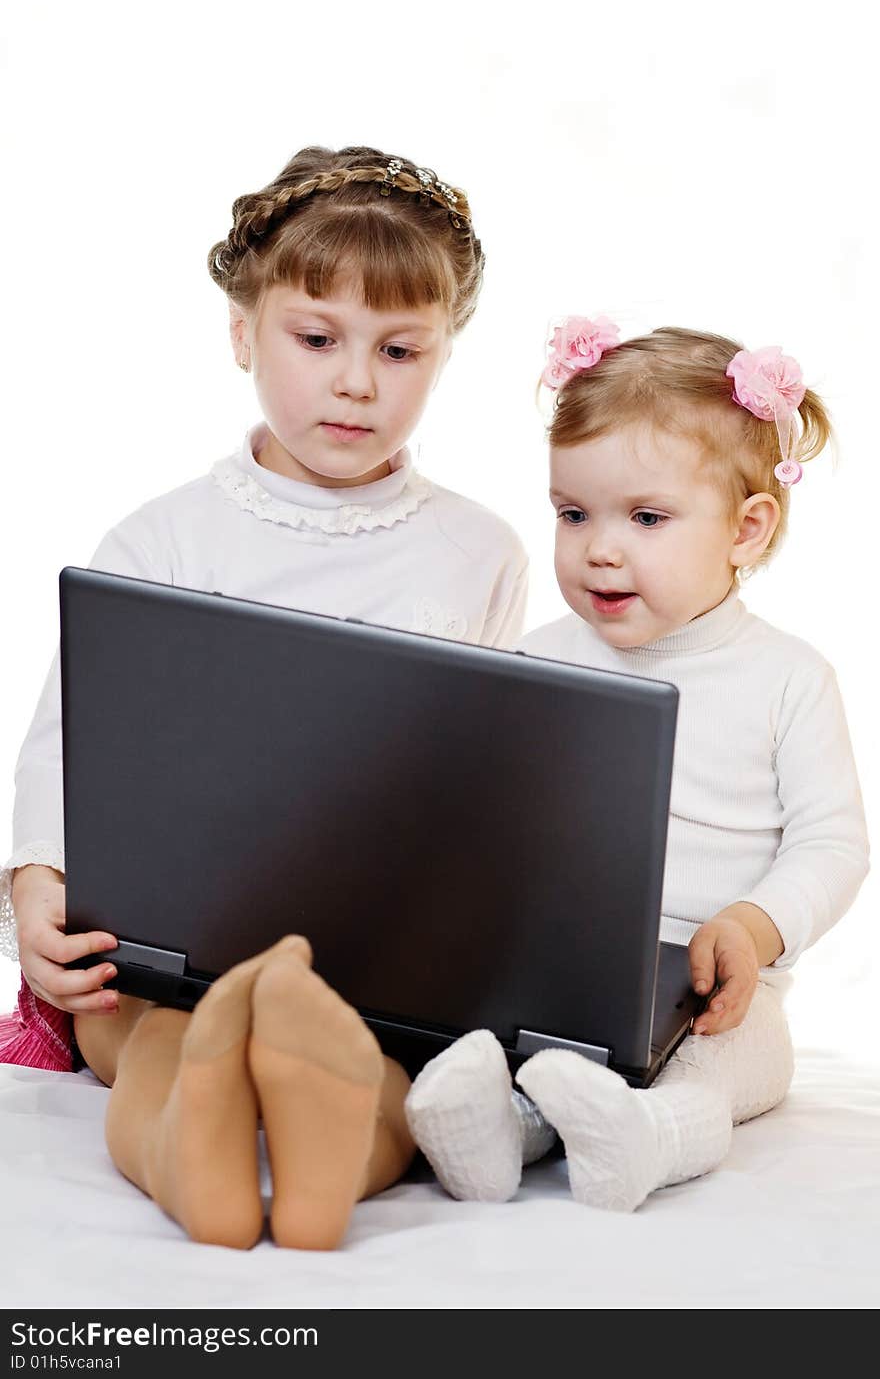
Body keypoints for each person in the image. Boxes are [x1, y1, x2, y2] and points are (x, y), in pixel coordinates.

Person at [0, 145, 528, 1250]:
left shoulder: (477, 550)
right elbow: (68, 743)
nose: (355, 381)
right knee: (151, 1033)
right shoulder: (164, 536)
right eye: (316, 337)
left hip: (376, 959)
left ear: (444, 354)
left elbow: (488, 779)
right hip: (165, 950)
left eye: (399, 349)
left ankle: (334, 1129)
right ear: (243, 333)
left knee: (397, 1068)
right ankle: (188, 1145)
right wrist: (37, 880)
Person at [405, 319, 870, 1211]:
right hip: (567, 974)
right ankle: (498, 1128)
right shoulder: (540, 659)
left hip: (717, 993)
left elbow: (834, 844)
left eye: (646, 518)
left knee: (722, 1068)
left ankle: (649, 1138)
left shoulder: (788, 679)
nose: (599, 548)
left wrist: (754, 925)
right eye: (572, 513)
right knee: (524, 1053)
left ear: (747, 528)